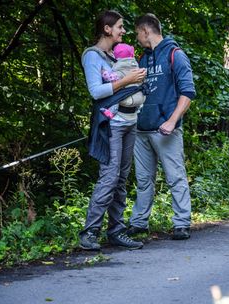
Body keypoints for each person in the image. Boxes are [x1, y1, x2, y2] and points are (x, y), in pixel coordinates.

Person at [79, 10, 147, 251]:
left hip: (130, 122)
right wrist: (127, 80)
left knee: (121, 180)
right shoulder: (92, 56)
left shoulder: (117, 55)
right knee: (108, 178)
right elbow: (96, 92)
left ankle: (116, 231)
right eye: (120, 26)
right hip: (111, 125)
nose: (123, 30)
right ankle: (89, 232)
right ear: (107, 29)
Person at [127, 13, 196, 240]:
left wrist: (172, 120)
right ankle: (138, 223)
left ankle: (182, 223)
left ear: (145, 31)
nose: (137, 38)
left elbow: (187, 92)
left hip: (166, 130)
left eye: (137, 33)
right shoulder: (142, 59)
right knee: (144, 181)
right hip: (141, 130)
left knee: (175, 176)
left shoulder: (176, 55)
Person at [99, 43, 146, 119]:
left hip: (127, 99)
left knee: (115, 97)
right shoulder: (136, 68)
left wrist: (102, 71)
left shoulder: (121, 70)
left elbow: (109, 78)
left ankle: (111, 112)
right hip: (139, 99)